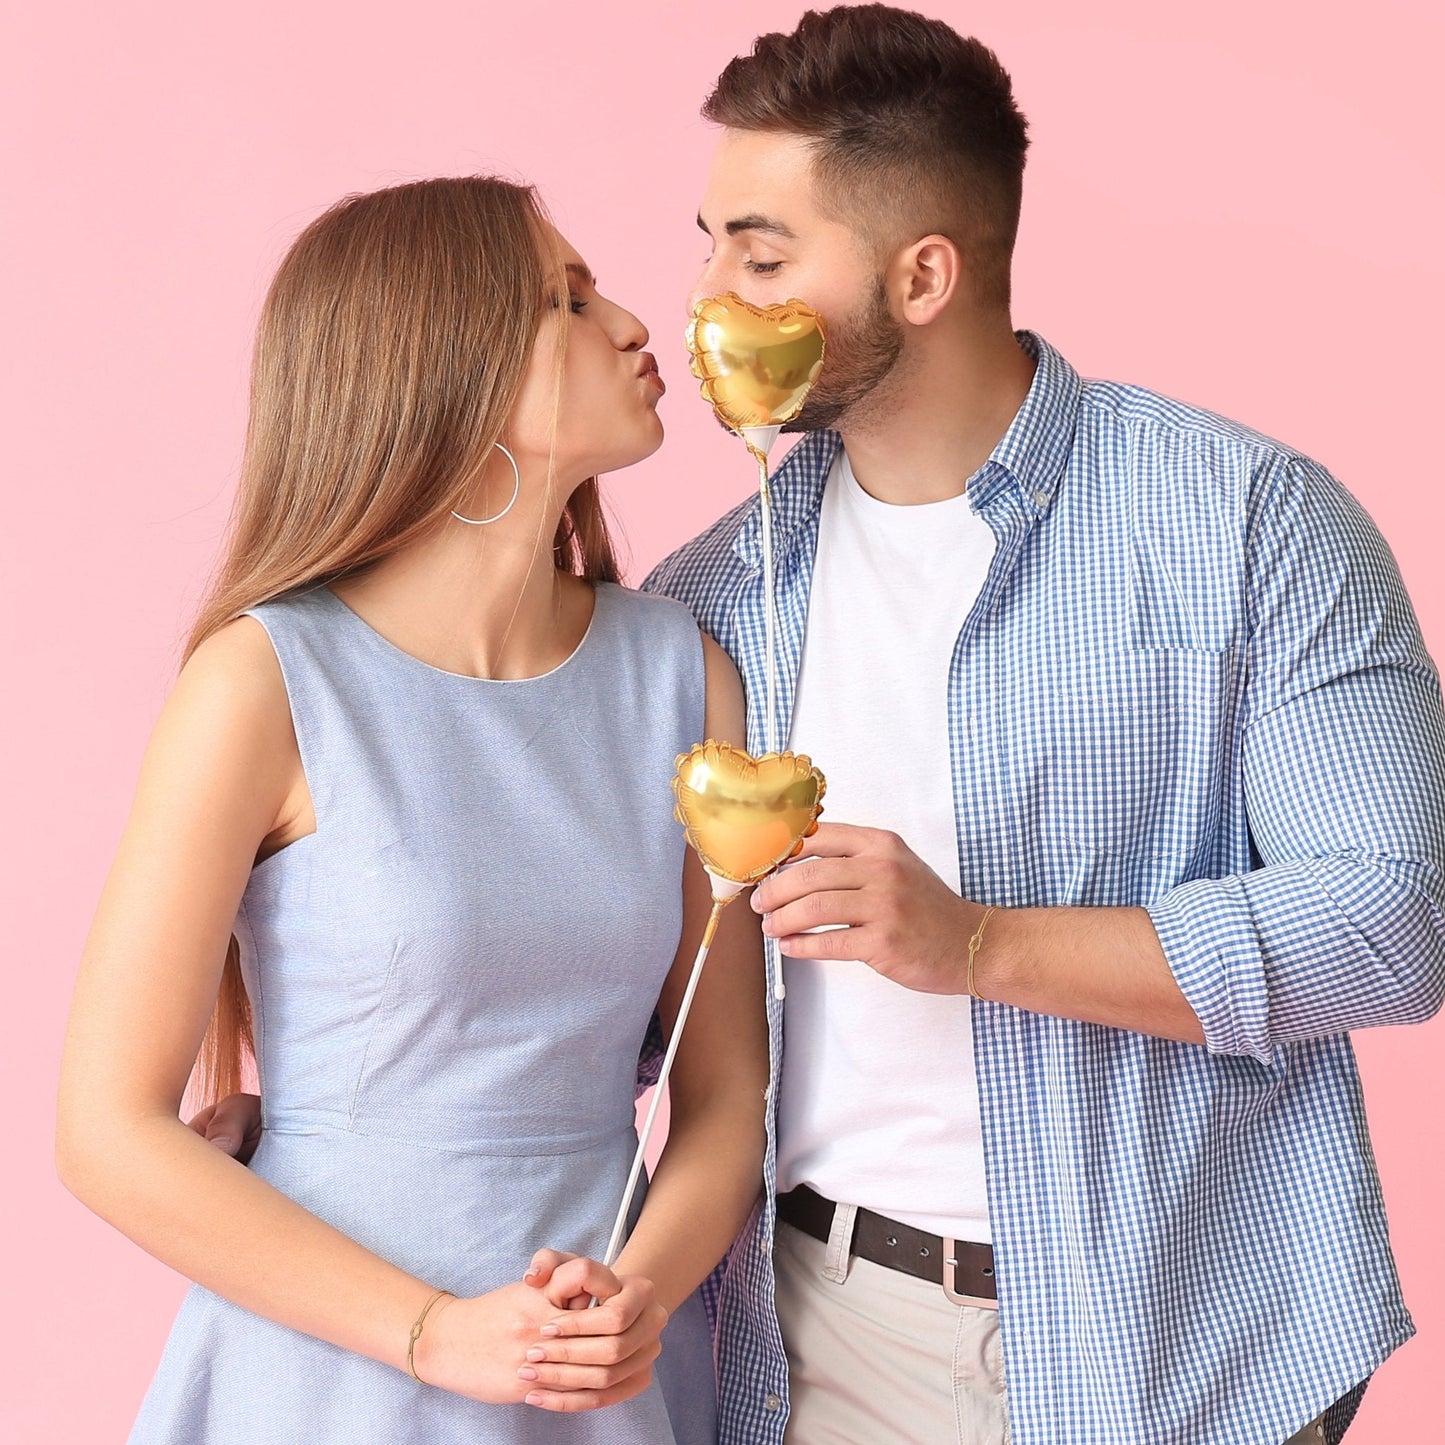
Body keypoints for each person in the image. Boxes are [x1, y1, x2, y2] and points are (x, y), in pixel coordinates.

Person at [642, 7, 1445, 1445]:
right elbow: (631, 993)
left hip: (1195, 1335)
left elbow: (1394, 922)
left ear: (925, 274)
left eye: (760, 256)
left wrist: (975, 945)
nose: (706, 295)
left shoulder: (1252, 522)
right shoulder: (712, 598)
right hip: (820, 1342)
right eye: (710, 243)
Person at [55, 175, 767, 1444]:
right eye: (566, 299)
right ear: (446, 363)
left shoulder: (681, 671)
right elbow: (105, 1130)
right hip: (328, 1372)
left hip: (598, 1375)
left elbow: (723, 1099)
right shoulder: (264, 679)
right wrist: (435, 1332)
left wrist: (634, 1296)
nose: (629, 324)